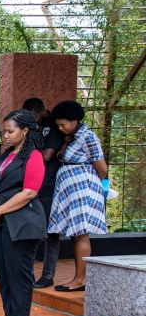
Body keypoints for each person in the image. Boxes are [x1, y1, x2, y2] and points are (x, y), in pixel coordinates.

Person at [0, 110, 47, 316]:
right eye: (4, 132)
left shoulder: (33, 157)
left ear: (25, 131)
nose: (6, 136)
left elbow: (29, 192)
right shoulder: (5, 156)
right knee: (4, 274)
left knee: (18, 274)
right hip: (0, 222)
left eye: (10, 131)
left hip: (21, 224)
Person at [47, 100, 108, 292]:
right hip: (70, 190)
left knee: (81, 234)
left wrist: (86, 187)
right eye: (58, 124)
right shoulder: (71, 137)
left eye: (63, 124)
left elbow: (102, 169)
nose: (60, 127)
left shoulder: (88, 137)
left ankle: (80, 279)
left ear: (75, 120)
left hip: (83, 190)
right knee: (75, 235)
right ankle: (78, 277)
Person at [23, 98, 65, 289]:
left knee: (51, 233)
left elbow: (48, 155)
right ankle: (28, 273)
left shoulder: (53, 127)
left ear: (42, 110)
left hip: (49, 187)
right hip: (32, 188)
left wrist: (29, 153)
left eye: (33, 116)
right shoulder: (34, 128)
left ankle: (48, 275)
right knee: (29, 231)